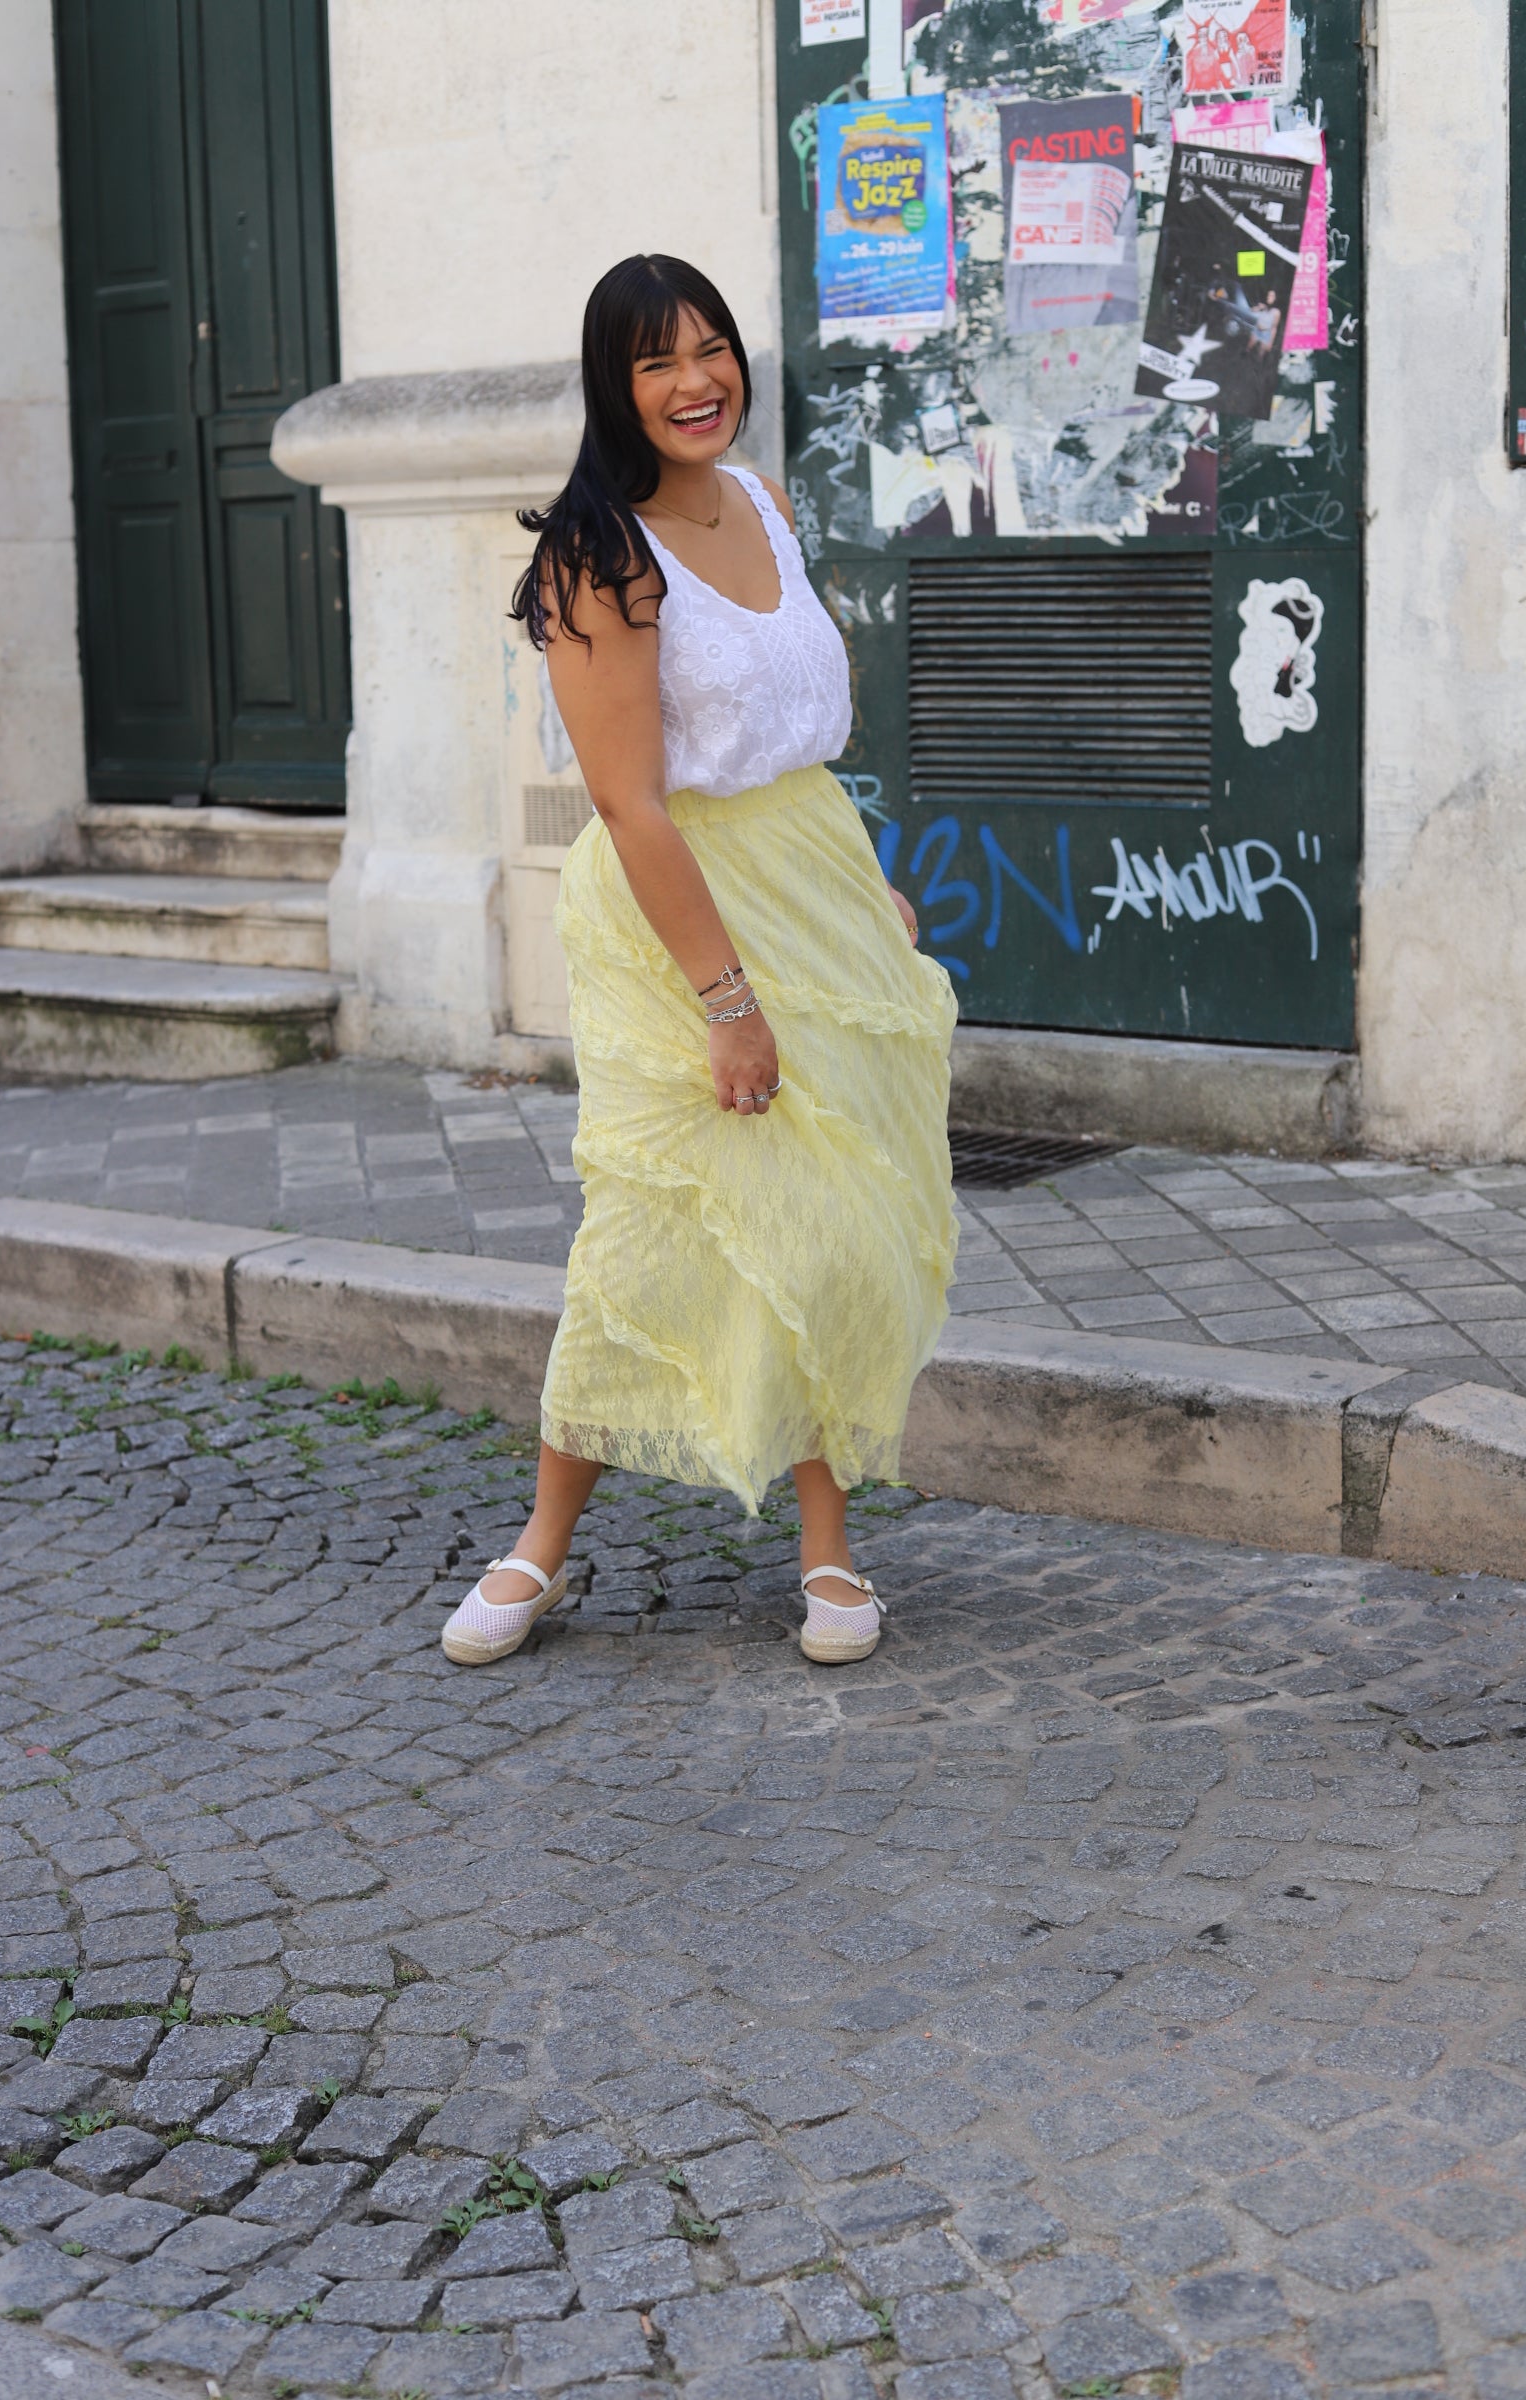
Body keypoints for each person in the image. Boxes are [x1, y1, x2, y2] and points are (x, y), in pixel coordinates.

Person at [438, 254, 957, 1672]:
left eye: (714, 348)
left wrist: (868, 896)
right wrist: (729, 1006)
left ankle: (828, 1548)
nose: (696, 380)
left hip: (813, 891)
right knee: (652, 1234)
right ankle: (540, 1545)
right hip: (678, 926)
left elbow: (793, 730)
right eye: (660, 360)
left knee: (829, 1227)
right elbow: (632, 803)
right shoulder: (596, 555)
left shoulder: (769, 508)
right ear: (617, 386)